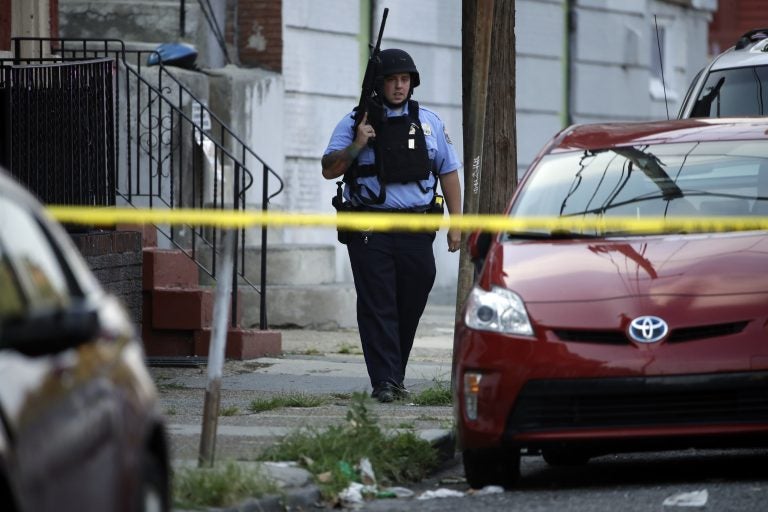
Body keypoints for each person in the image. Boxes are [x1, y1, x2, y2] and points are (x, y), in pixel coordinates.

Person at [321, 48, 462, 403]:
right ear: (379, 84)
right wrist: (358, 142)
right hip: (370, 228)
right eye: (392, 80)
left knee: (411, 299)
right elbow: (329, 170)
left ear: (412, 84)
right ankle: (384, 380)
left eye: (405, 80)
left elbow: (448, 171)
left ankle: (393, 374)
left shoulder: (429, 122)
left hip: (416, 229)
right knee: (378, 303)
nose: (399, 86)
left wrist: (457, 224)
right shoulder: (354, 121)